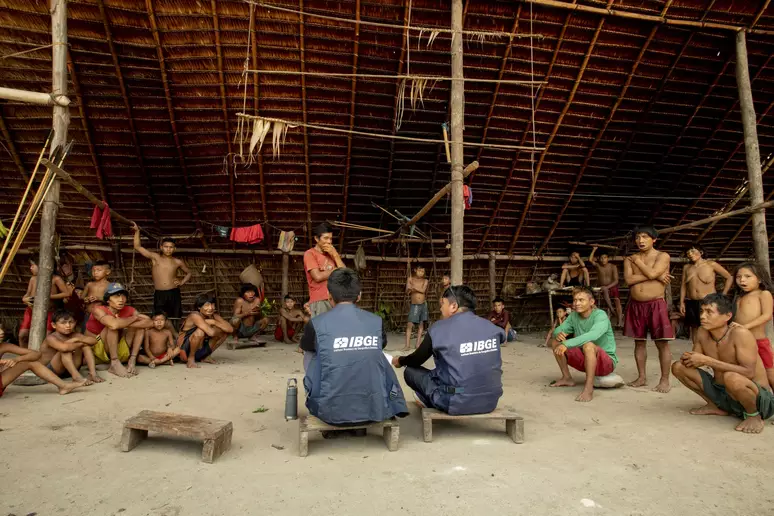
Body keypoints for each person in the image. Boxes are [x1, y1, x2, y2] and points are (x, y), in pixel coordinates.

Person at [301, 268, 407, 426]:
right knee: (376, 352)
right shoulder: (375, 321)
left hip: (330, 412)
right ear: (359, 295)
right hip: (374, 409)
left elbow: (306, 347)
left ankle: (320, 396)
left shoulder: (316, 323)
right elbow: (381, 345)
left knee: (311, 352)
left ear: (329, 296)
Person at [392, 285, 503, 415]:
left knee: (410, 371)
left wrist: (400, 360)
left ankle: (429, 399)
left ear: (453, 306)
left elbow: (416, 360)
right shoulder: (491, 327)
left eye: (442, 304)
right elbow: (501, 337)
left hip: (455, 401)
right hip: (490, 401)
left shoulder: (439, 328)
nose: (440, 308)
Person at [671, 293, 773, 434]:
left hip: (758, 399)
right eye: (701, 311)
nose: (702, 316)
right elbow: (695, 361)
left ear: (727, 316)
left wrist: (708, 360)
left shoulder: (740, 334)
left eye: (709, 312)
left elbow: (749, 372)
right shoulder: (702, 331)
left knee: (731, 377)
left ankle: (753, 415)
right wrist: (689, 359)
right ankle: (715, 405)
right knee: (678, 367)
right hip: (725, 393)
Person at [623, 225, 674, 393]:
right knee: (639, 342)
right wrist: (656, 275)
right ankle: (642, 377)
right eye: (638, 237)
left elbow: (651, 275)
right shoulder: (628, 259)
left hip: (656, 304)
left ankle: (664, 380)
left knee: (662, 343)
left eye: (645, 237)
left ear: (654, 239)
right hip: (636, 305)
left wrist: (640, 264)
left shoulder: (662, 256)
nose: (640, 241)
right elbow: (628, 280)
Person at [549, 288, 620, 402]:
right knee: (555, 342)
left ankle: (588, 388)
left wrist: (567, 343)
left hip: (605, 363)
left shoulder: (600, 315)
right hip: (586, 359)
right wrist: (558, 335)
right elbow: (558, 330)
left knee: (588, 345)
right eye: (575, 300)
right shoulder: (573, 316)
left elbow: (593, 335)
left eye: (581, 300)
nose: (576, 303)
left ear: (591, 302)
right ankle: (567, 378)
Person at [85, 282, 153, 378]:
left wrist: (124, 322)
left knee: (139, 328)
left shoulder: (129, 310)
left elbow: (150, 322)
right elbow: (113, 325)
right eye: (116, 296)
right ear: (108, 299)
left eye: (123, 296)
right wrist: (134, 318)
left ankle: (132, 360)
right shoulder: (98, 309)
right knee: (112, 328)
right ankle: (114, 363)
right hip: (99, 351)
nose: (121, 300)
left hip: (119, 348)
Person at [131, 223, 191, 327]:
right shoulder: (156, 258)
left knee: (175, 317)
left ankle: (174, 337)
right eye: (166, 247)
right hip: (159, 293)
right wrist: (137, 232)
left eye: (171, 247)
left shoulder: (178, 262)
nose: (168, 249)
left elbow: (189, 273)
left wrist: (182, 282)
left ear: (174, 249)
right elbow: (137, 246)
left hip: (174, 292)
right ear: (161, 247)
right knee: (158, 316)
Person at [680, 244, 732, 349]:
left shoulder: (711, 264)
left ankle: (712, 352)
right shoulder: (687, 267)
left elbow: (729, 277)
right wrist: (682, 302)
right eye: (688, 253)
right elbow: (683, 286)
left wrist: (724, 294)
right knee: (694, 328)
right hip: (692, 301)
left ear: (701, 252)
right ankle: (696, 351)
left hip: (708, 301)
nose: (690, 254)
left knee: (710, 327)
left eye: (693, 251)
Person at [732, 262, 774, 389]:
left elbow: (767, 315)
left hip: (758, 341)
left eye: (747, 276)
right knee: (748, 371)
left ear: (760, 279)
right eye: (738, 277)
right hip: (741, 342)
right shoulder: (738, 297)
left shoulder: (763, 294)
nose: (742, 280)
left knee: (769, 372)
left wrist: (746, 327)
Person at [40, 309, 102, 385]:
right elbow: (64, 348)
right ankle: (76, 377)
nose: (68, 326)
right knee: (66, 349)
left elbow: (94, 341)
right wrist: (77, 342)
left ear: (75, 323)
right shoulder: (51, 338)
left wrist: (77, 339)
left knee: (86, 346)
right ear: (54, 325)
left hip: (69, 370)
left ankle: (93, 374)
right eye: (63, 323)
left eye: (71, 322)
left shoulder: (75, 335)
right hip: (52, 372)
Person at [0, 343, 87, 397]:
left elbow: (36, 354)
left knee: (32, 363)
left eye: (1, 328)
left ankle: (63, 386)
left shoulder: (4, 346)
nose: (1, 332)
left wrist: (17, 360)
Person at [19, 259, 70, 348]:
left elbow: (66, 293)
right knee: (22, 335)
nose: (31, 268)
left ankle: (42, 356)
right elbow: (27, 294)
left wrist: (48, 296)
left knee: (46, 336)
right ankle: (25, 355)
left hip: (49, 311)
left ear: (43, 266)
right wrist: (24, 299)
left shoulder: (56, 279)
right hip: (31, 310)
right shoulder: (33, 279)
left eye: (33, 265)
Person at [177, 294, 233, 368]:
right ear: (199, 307)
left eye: (212, 305)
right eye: (207, 305)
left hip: (200, 348)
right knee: (201, 331)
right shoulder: (195, 315)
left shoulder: (214, 316)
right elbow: (211, 333)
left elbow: (230, 329)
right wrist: (213, 322)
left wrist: (214, 321)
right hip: (184, 351)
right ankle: (191, 359)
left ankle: (206, 356)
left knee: (224, 332)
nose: (210, 308)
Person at [304, 223, 345, 318]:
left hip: (336, 299)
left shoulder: (332, 254)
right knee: (322, 331)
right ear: (316, 239)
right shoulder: (310, 254)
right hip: (320, 301)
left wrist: (335, 255)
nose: (329, 242)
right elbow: (317, 277)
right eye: (325, 238)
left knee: (335, 332)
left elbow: (344, 274)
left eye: (330, 238)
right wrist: (336, 270)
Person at [589, 247, 623, 327]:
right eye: (601, 258)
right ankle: (611, 310)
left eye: (605, 258)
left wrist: (607, 287)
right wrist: (594, 249)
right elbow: (590, 260)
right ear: (599, 259)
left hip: (612, 286)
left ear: (608, 258)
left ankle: (619, 321)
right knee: (597, 294)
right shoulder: (598, 266)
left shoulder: (612, 266)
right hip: (602, 288)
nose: (603, 259)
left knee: (617, 301)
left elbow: (616, 281)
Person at [404, 265, 429, 351]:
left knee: (421, 324)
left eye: (423, 271)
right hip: (415, 304)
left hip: (423, 304)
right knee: (409, 324)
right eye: (419, 271)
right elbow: (408, 291)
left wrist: (413, 287)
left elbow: (423, 290)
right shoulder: (410, 279)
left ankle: (417, 344)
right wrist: (409, 286)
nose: (421, 273)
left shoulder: (425, 280)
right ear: (415, 270)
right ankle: (407, 346)